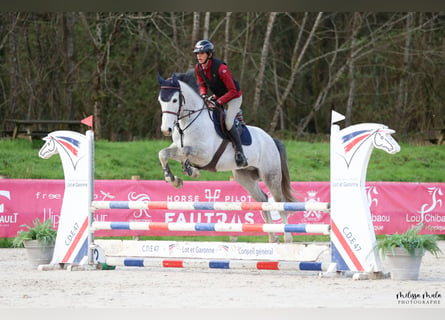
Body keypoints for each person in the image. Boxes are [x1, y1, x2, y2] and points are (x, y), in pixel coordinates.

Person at [193, 39, 248, 167]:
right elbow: (202, 84)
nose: (199, 56)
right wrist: (204, 95)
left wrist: (218, 102)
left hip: (234, 96)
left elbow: (233, 91)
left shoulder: (221, 68)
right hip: (219, 96)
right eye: (197, 53)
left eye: (202, 53)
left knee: (228, 122)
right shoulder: (198, 68)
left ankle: (240, 153)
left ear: (209, 54)